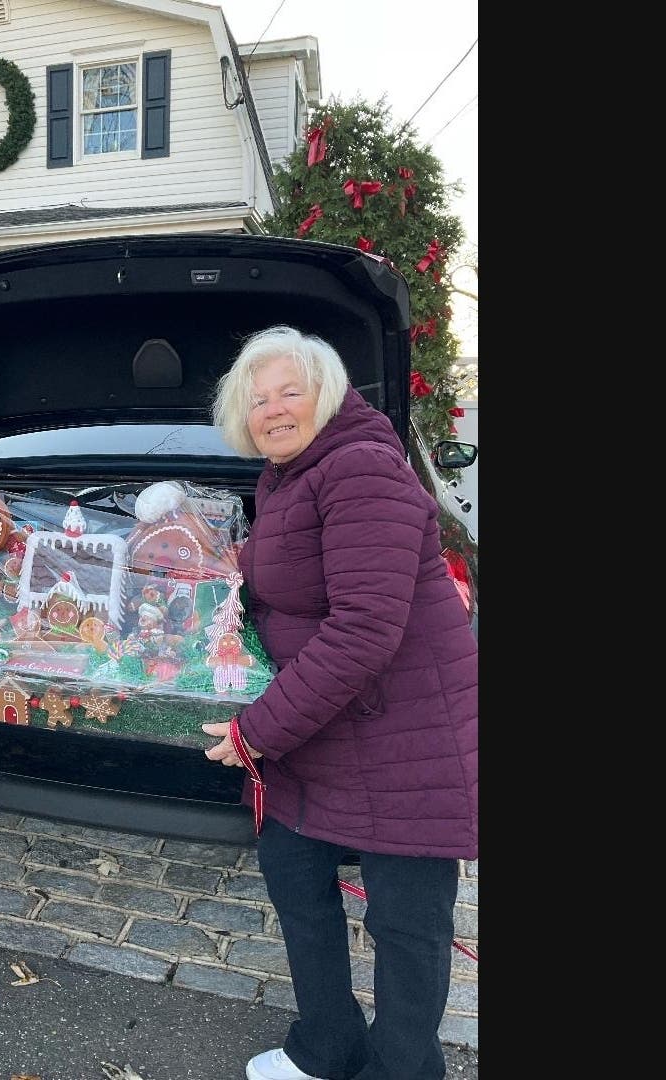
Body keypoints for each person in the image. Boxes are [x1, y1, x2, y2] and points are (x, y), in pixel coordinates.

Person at [201, 326, 477, 1080]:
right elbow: (297, 590)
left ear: (328, 392)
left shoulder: (361, 468)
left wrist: (255, 730)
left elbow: (362, 630)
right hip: (320, 729)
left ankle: (403, 1068)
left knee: (406, 923)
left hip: (402, 737)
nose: (273, 410)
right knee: (295, 879)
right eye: (258, 399)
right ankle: (328, 1045)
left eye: (290, 391)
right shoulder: (287, 475)